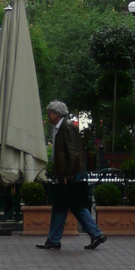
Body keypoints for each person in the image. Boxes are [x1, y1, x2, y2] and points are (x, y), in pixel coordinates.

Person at [37, 101, 106, 251]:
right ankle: (95, 234)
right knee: (74, 205)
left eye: (49, 112)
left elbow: (73, 153)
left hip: (70, 173)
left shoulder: (66, 127)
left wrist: (68, 174)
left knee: (62, 205)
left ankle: (54, 239)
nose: (48, 115)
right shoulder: (62, 127)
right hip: (70, 172)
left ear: (56, 114)